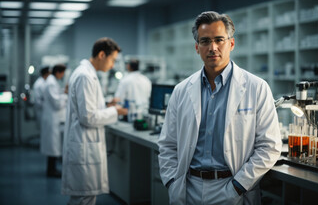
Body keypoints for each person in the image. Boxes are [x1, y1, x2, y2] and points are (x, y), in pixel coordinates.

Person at [158, 11, 282, 205]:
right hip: (188, 187)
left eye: (219, 40)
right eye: (205, 41)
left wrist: (238, 186)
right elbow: (167, 145)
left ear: (231, 44)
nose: (212, 47)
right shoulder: (181, 90)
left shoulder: (256, 87)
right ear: (197, 47)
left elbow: (270, 146)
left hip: (232, 188)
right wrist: (172, 182)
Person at [61, 37, 128, 205]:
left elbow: (87, 107)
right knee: (84, 197)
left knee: (85, 196)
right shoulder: (85, 76)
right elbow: (88, 117)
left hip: (85, 144)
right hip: (84, 146)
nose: (112, 65)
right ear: (101, 55)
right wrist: (115, 111)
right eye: (112, 60)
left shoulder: (88, 74)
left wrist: (105, 104)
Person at [40, 64, 68, 178]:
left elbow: (56, 96)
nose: (63, 76)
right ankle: (51, 171)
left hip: (52, 118)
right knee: (53, 146)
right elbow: (57, 104)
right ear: (58, 72)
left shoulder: (52, 81)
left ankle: (52, 169)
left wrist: (62, 93)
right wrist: (65, 95)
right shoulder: (51, 83)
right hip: (52, 118)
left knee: (53, 145)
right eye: (62, 73)